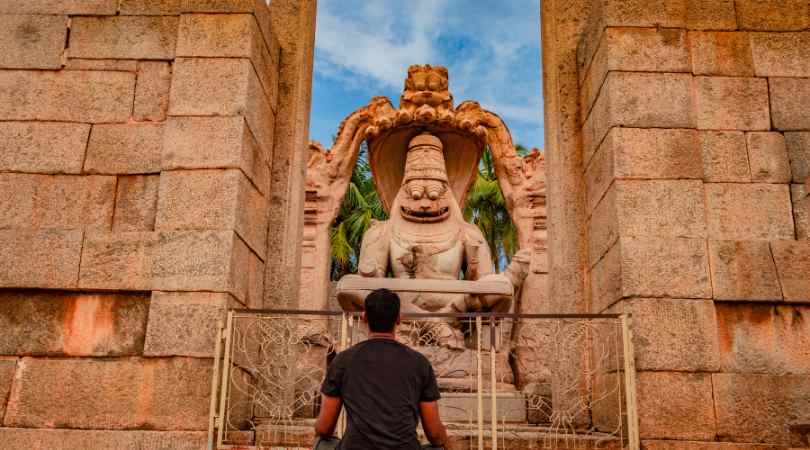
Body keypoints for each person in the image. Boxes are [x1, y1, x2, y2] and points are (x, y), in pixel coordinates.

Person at [313, 288, 452, 450]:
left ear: (364, 317)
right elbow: (434, 433)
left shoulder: (342, 361)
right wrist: (447, 444)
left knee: (321, 442)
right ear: (399, 319)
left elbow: (324, 428)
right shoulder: (419, 363)